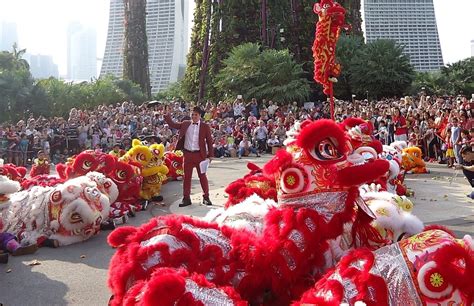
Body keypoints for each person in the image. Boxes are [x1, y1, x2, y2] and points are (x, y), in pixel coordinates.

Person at [164, 106, 214, 207]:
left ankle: (206, 197)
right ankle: (186, 198)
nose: (194, 116)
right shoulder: (185, 124)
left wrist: (211, 155)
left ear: (200, 116)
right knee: (186, 177)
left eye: (196, 115)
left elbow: (209, 141)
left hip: (200, 155)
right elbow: (172, 124)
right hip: (187, 154)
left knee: (202, 176)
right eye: (192, 114)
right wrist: (167, 114)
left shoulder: (205, 126)